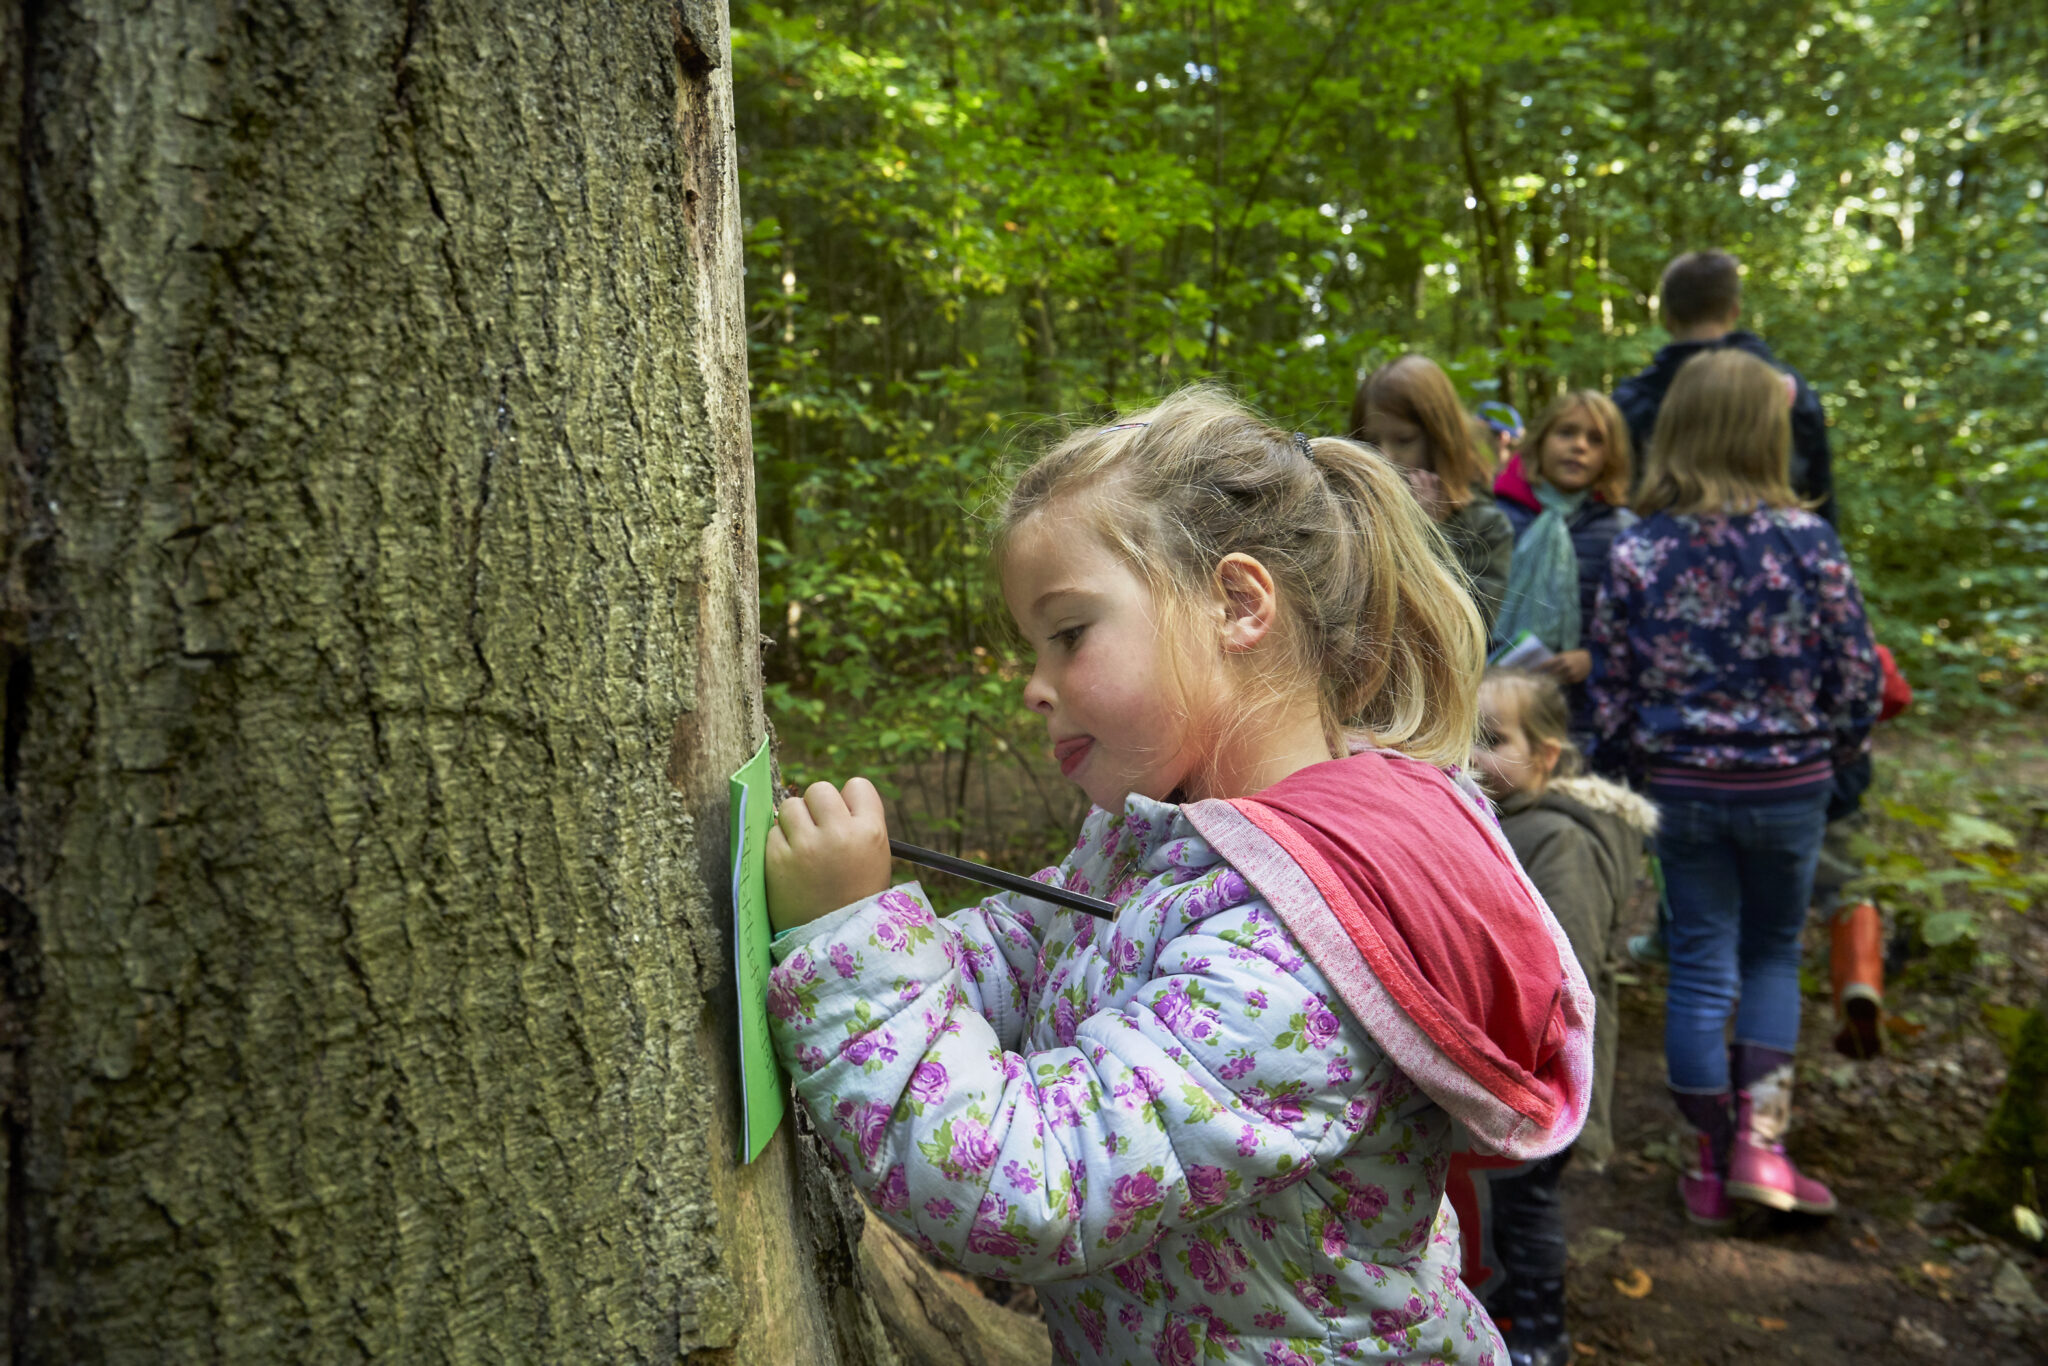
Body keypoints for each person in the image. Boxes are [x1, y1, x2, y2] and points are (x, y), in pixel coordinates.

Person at [763, 388, 1594, 1365]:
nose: (1034, 684)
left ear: (1235, 603)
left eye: (1067, 632)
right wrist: (866, 933)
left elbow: (1029, 1185)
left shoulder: (1296, 938)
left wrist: (850, 949)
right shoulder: (1175, 835)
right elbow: (1028, 959)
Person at [1588, 349, 1881, 1228]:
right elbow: (1858, 676)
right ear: (1767, 435)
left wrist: (1630, 765)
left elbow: (1611, 685)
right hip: (1790, 783)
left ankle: (1706, 1165)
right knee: (1769, 955)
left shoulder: (1640, 547)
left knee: (1703, 962)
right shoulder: (1808, 541)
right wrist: (1830, 746)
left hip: (1679, 787)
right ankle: (1764, 1144)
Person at [1451, 668, 1655, 1366]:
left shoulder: (1558, 839)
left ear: (1547, 754)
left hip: (1545, 1061)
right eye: (1466, 735)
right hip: (1495, 1053)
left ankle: (1543, 1333)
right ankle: (1501, 1309)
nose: (1472, 754)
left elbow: (1563, 969)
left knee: (1526, 1199)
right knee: (1491, 1195)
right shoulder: (1488, 821)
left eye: (1494, 740)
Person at [1612, 250, 1835, 523]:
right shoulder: (1788, 388)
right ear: (1734, 310)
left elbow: (1613, 495)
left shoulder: (1633, 401)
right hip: (1774, 553)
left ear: (1668, 318)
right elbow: (1819, 487)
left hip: (1664, 555)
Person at [1489, 392, 1636, 743]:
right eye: (1566, 432)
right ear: (1540, 442)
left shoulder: (1621, 531)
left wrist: (1593, 658)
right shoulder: (1495, 518)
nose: (1579, 446)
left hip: (1584, 720)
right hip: (1493, 712)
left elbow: (1638, 628)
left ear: (1610, 456)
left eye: (1595, 439)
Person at [1353, 355, 1516, 634]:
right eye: (1371, 442)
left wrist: (1426, 534)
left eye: (1404, 440)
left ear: (1440, 440)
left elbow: (1469, 632)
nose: (1385, 457)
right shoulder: (1352, 510)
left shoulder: (1487, 526)